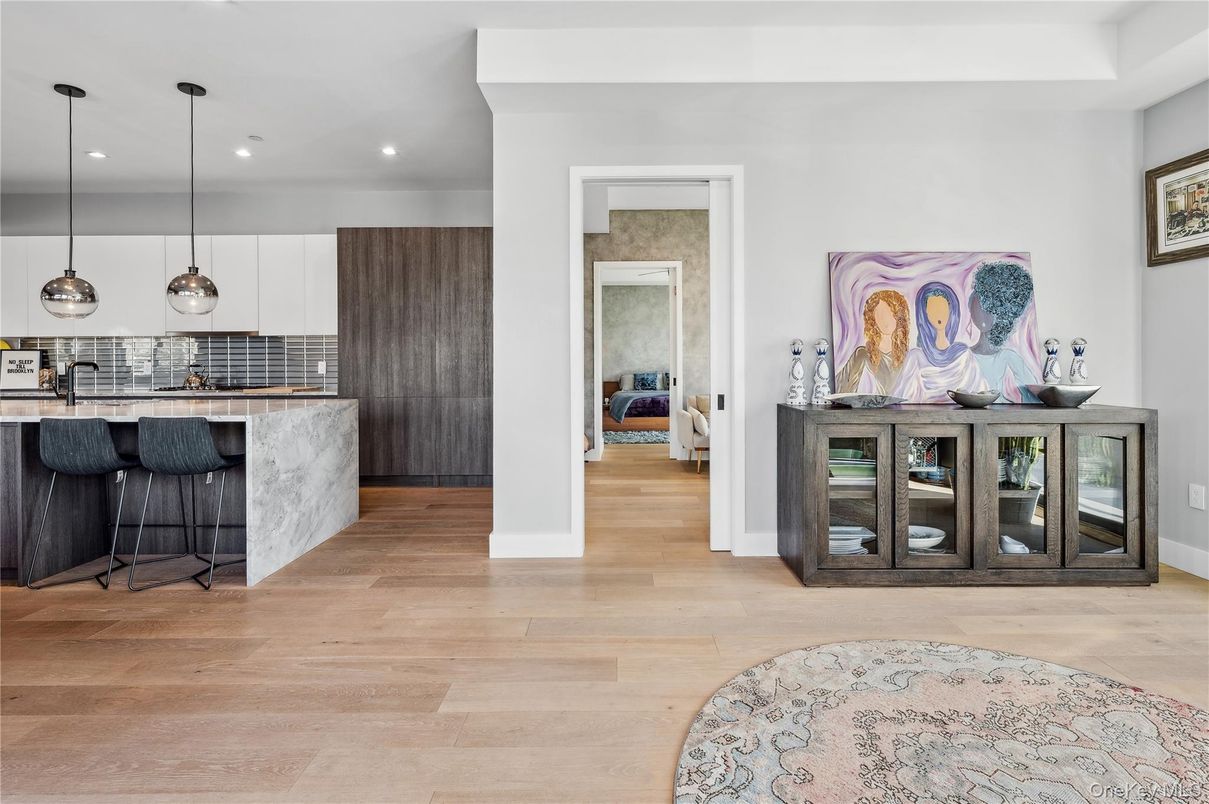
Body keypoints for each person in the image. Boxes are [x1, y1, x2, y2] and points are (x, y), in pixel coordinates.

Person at [892, 281, 986, 402]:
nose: (939, 315)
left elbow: (979, 394)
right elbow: (903, 399)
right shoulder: (916, 357)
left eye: (943, 308)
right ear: (924, 315)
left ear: (951, 311)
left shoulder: (964, 355)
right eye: (932, 310)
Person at [968, 261, 1041, 403]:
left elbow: (1034, 399)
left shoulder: (1007, 357)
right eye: (982, 299)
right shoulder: (962, 356)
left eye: (993, 307)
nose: (984, 309)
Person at [835, 289, 910, 395]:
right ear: (872, 318)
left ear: (899, 317)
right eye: (880, 314)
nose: (885, 320)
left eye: (890, 314)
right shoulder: (862, 354)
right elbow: (839, 387)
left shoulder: (909, 358)